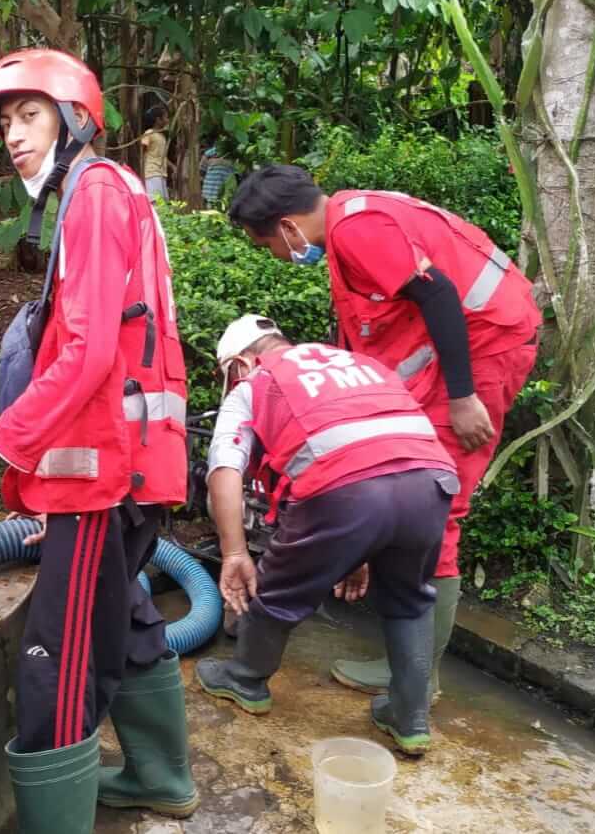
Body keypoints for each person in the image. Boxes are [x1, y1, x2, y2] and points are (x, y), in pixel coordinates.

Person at [0, 50, 193, 833]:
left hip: (108, 474)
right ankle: (160, 775)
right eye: (4, 122)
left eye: (28, 115)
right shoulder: (100, 195)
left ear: (73, 121)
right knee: (125, 613)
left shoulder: (95, 193)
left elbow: (91, 353)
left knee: (56, 660)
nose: (11, 135)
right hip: (126, 468)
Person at [227, 165, 540, 702]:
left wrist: (464, 398)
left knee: (440, 504)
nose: (275, 256)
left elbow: (437, 295)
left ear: (287, 228)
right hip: (472, 350)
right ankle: (409, 665)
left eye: (266, 245)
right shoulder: (352, 219)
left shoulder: (355, 230)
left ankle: (417, 681)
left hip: (482, 354)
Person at [195, 315, 459, 755]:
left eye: (228, 375)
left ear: (242, 362)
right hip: (431, 482)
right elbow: (380, 450)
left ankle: (244, 679)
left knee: (278, 591)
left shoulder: (256, 384)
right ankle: (410, 718)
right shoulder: (357, 363)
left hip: (344, 490)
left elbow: (224, 469)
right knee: (411, 601)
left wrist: (234, 551)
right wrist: (359, 553)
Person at [139, 105, 170, 200]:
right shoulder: (149, 133)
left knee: (163, 202)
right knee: (156, 202)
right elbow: (142, 154)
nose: (168, 120)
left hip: (161, 172)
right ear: (158, 120)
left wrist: (173, 167)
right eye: (166, 117)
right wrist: (142, 175)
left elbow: (162, 156)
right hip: (151, 172)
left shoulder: (161, 136)